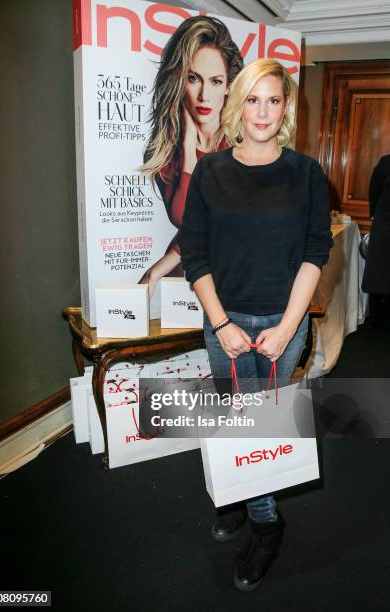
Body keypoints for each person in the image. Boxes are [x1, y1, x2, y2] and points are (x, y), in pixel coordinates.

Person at [179, 58, 333, 592]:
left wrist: (289, 327)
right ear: (236, 104)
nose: (263, 111)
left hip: (281, 327)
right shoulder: (210, 171)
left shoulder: (306, 173)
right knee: (228, 419)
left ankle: (266, 524)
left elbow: (317, 250)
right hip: (224, 324)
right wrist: (220, 323)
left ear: (285, 107)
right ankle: (237, 498)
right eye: (253, 98)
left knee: (259, 426)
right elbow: (194, 253)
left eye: (273, 99)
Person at [139, 16, 243, 295]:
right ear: (178, 80)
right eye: (193, 78)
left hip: (235, 273)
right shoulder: (163, 152)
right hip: (188, 269)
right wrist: (187, 150)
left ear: (229, 86)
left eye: (216, 81)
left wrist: (156, 269)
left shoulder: (242, 148)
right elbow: (185, 220)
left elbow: (208, 223)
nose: (204, 95)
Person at [362, 154, 390, 328]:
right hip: (385, 221)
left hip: (383, 220)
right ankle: (375, 316)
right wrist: (374, 214)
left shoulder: (386, 162)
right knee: (378, 269)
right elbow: (374, 190)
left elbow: (375, 189)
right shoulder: (386, 162)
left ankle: (376, 316)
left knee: (379, 269)